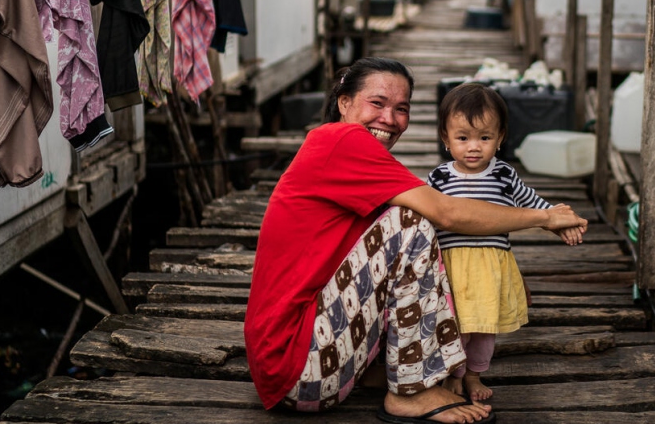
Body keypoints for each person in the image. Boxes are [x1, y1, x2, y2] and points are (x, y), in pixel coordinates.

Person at [244, 57, 588, 424]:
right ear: (344, 103)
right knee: (412, 221)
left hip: (304, 367)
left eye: (401, 109)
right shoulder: (340, 139)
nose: (390, 119)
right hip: (299, 366)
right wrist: (544, 217)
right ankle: (411, 392)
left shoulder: (345, 151)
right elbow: (448, 213)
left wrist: (503, 274)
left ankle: (392, 370)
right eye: (377, 103)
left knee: (412, 220)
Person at [427, 84, 583, 401]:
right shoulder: (439, 179)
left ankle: (473, 376)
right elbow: (423, 215)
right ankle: (452, 374)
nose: (474, 147)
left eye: (484, 138)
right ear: (446, 138)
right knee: (455, 326)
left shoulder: (504, 176)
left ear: (499, 139)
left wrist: (561, 223)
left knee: (484, 327)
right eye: (462, 138)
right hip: (452, 266)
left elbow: (537, 206)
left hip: (490, 266)